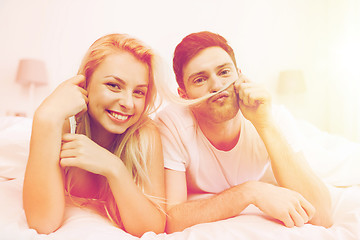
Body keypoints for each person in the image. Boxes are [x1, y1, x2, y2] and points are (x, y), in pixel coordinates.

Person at [155, 31, 333, 233]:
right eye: (200, 80)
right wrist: (250, 192)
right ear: (183, 95)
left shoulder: (270, 115)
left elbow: (323, 215)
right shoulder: (172, 123)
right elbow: (173, 219)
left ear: (239, 76)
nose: (217, 85)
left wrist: (264, 124)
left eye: (224, 72)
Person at [23, 33, 166, 237]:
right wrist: (44, 118)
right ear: (85, 83)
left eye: (139, 92)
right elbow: (42, 223)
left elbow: (152, 228)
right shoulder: (63, 122)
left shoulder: (145, 133)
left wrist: (114, 168)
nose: (128, 103)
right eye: (114, 85)